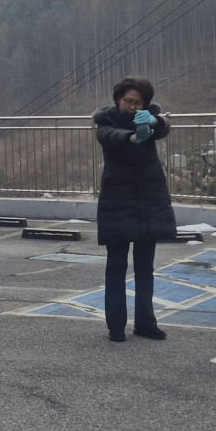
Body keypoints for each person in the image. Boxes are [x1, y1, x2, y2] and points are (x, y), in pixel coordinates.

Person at [93, 77, 177, 343]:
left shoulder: (149, 118)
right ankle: (116, 326)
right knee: (116, 267)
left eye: (137, 102)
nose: (131, 106)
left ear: (145, 104)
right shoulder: (106, 121)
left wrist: (154, 122)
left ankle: (145, 322)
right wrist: (132, 137)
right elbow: (110, 136)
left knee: (145, 268)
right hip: (117, 202)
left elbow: (164, 127)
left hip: (147, 201)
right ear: (118, 99)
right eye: (127, 100)